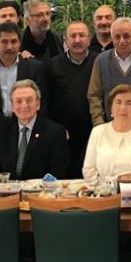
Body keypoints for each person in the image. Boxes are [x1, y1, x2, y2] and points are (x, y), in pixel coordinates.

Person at [0, 80, 70, 179]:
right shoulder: (1, 131)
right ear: (12, 106)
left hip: (41, 188)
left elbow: (59, 171)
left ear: (38, 104)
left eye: (29, 100)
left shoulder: (55, 132)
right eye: (18, 101)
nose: (24, 106)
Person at [45, 21, 97, 174]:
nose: (77, 40)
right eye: (73, 36)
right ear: (65, 40)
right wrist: (56, 130)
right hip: (63, 134)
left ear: (89, 39)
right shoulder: (52, 65)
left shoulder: (100, 62)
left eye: (82, 35)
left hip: (94, 132)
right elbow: (47, 101)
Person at [0, 22, 48, 116]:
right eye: (4, 42)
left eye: (14, 41)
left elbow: (41, 103)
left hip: (26, 121)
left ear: (19, 43)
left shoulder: (35, 68)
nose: (9, 47)